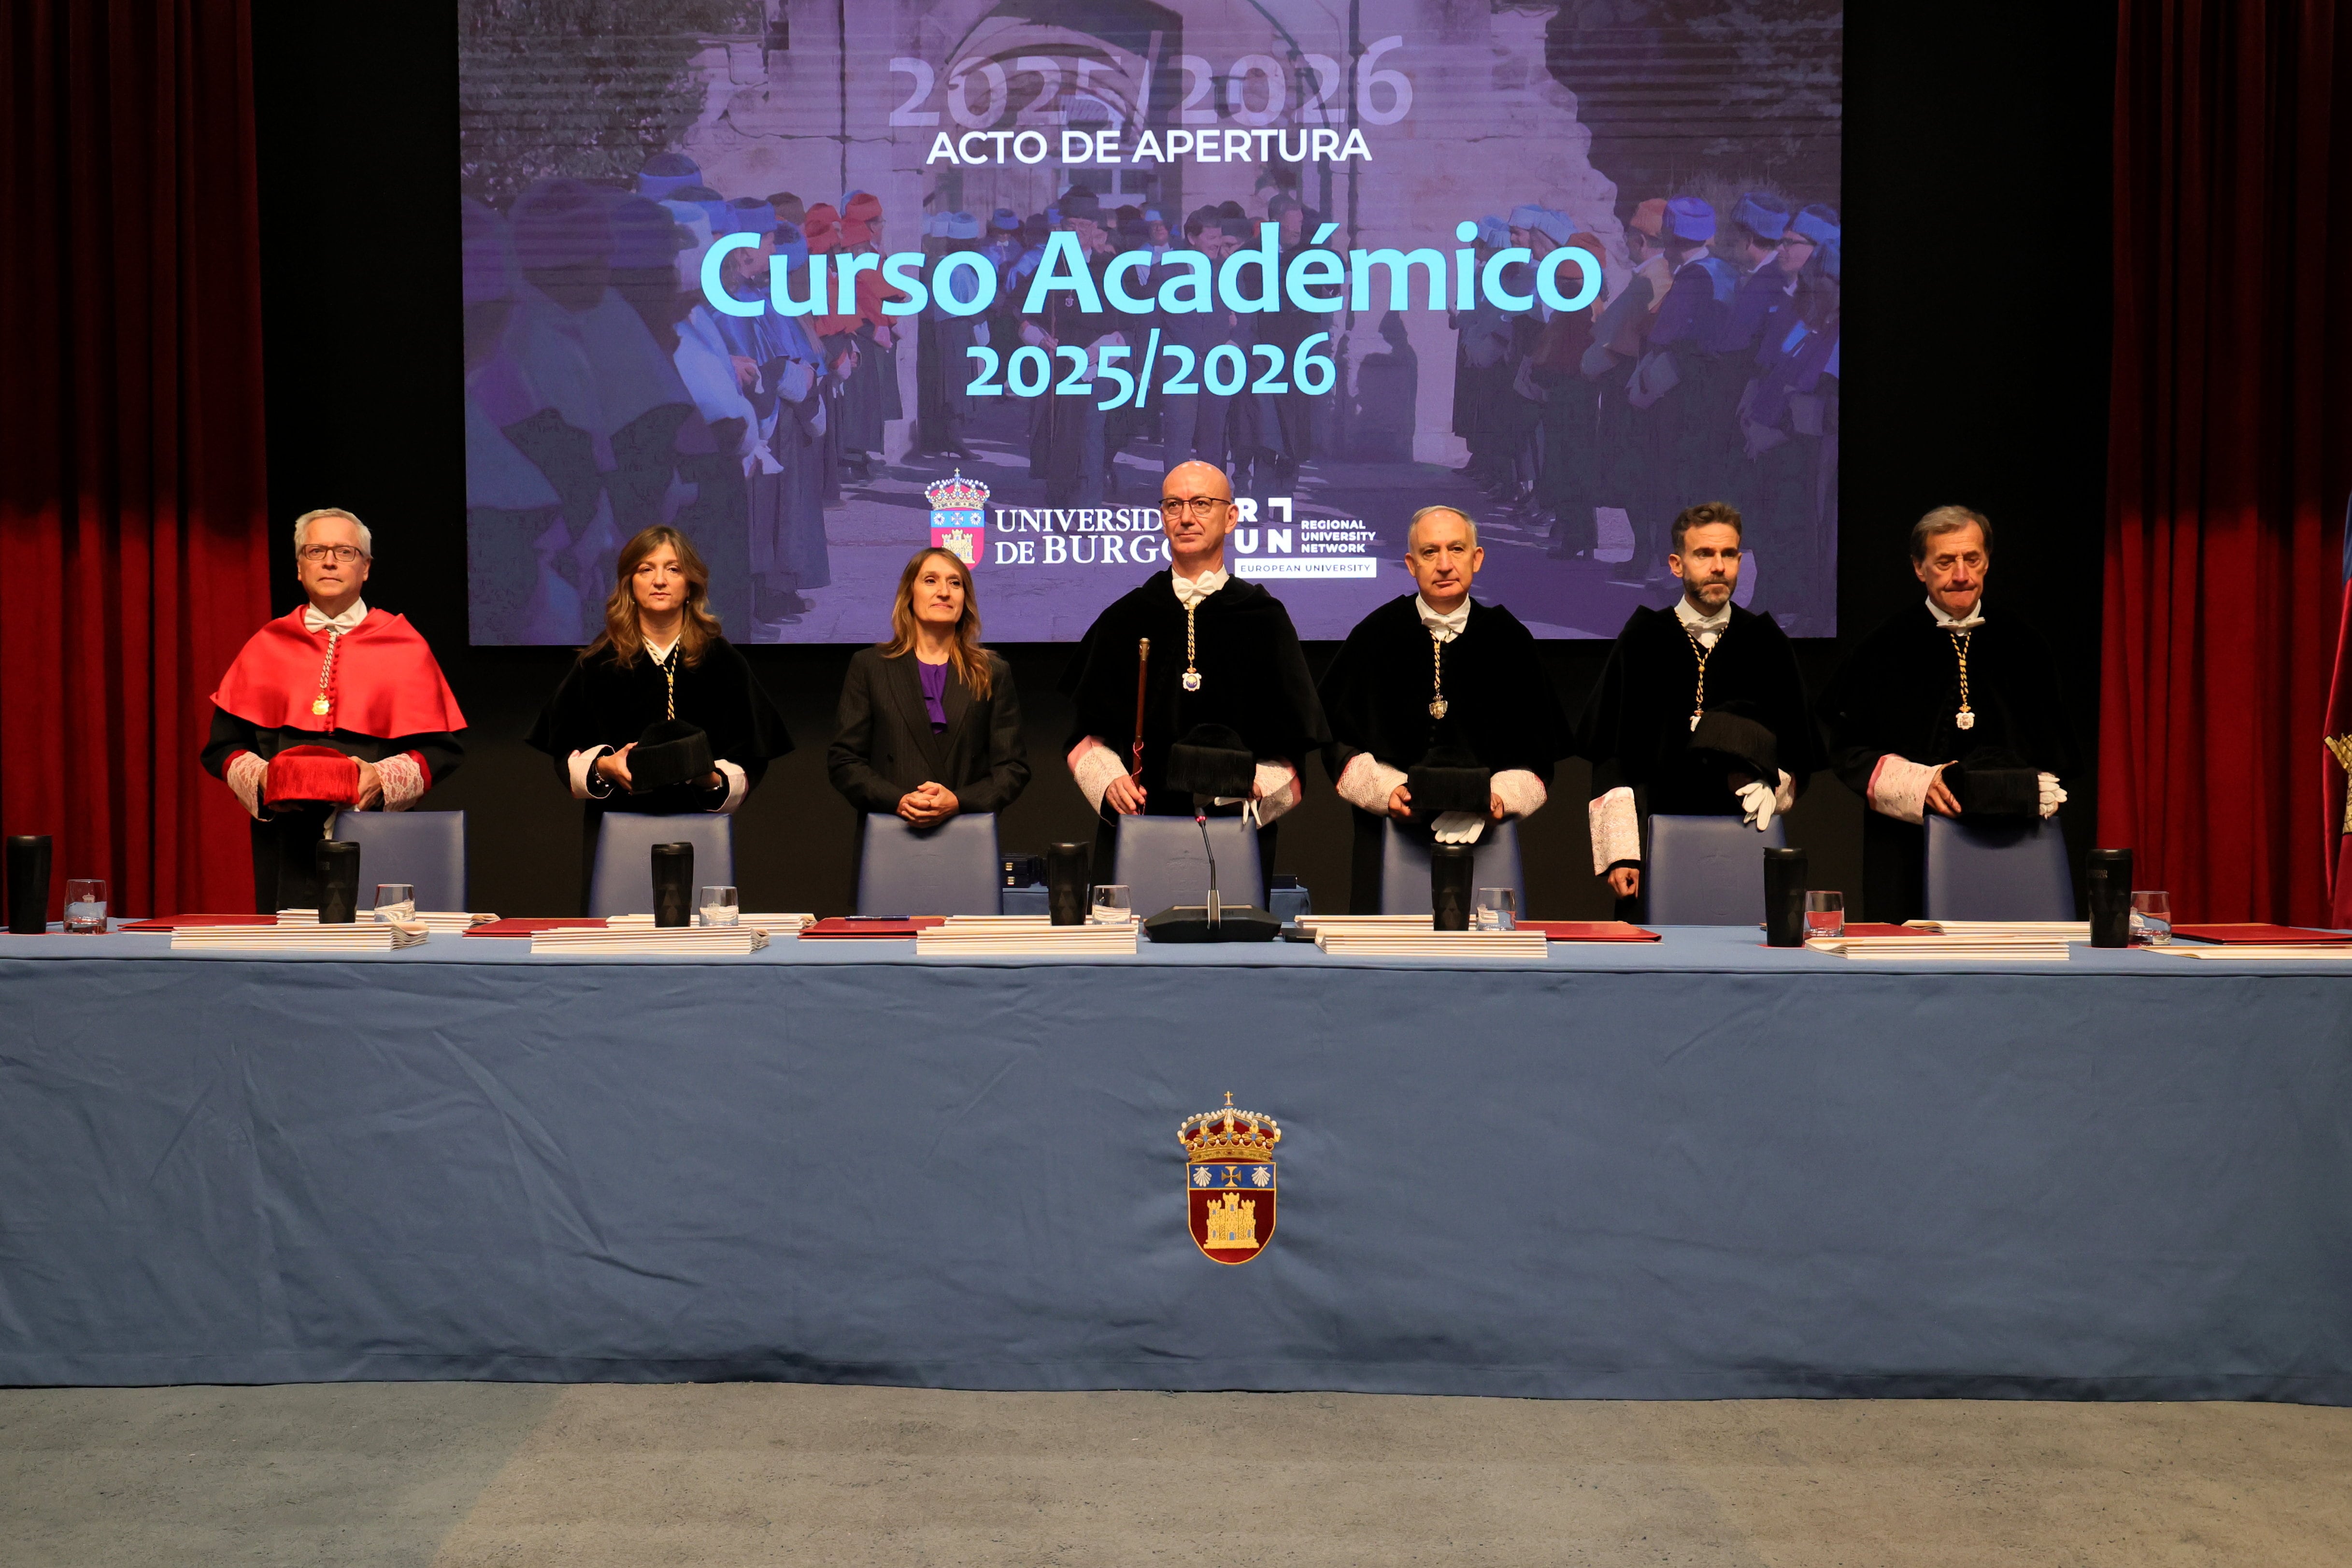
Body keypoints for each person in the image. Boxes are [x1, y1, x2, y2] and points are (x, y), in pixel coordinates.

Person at [1061, 459, 1329, 889]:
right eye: (1173, 505)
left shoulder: (1265, 619)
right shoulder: (1126, 617)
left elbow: (1293, 749)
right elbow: (1083, 735)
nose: (1185, 517)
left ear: (1231, 517)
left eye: (1201, 503)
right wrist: (1109, 780)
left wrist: (1256, 786)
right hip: (1139, 828)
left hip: (1237, 834)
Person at [1818, 506, 2076, 922]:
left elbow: (2054, 755)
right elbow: (1848, 751)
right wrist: (1918, 784)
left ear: (1986, 561)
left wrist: (2027, 787)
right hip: (1907, 850)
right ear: (1919, 569)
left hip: (2012, 848)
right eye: (1944, 562)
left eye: (1971, 560)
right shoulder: (1880, 649)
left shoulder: (2026, 647)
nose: (1961, 575)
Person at [202, 509, 468, 912]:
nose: (329, 561)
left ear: (365, 568)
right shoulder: (266, 645)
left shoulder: (405, 646)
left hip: (377, 833)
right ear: (299, 568)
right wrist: (265, 779)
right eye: (316, 551)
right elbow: (223, 748)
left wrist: (381, 778)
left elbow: (441, 751)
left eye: (345, 551)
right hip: (285, 841)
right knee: (291, 957)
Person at [1319, 506, 1570, 912]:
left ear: (1477, 558)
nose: (1444, 564)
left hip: (1488, 837)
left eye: (1456, 549)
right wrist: (1387, 792)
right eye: (1430, 552)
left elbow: (1537, 754)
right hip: (1386, 833)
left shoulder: (1510, 640)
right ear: (1410, 564)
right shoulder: (1374, 635)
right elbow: (1337, 740)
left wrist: (1498, 798)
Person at [527, 525, 792, 902]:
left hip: (700, 832)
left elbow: (754, 755)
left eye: (673, 569)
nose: (660, 581)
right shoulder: (598, 663)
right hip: (616, 830)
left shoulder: (723, 662)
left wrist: (710, 777)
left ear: (691, 584)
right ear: (629, 584)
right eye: (646, 569)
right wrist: (605, 767)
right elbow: (562, 749)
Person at [1580, 500, 1819, 913]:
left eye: (1728, 554)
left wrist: (1775, 785)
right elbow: (1610, 752)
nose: (1718, 566)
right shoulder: (1642, 639)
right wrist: (1621, 853)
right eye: (1704, 554)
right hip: (1655, 846)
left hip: (1748, 837)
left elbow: (1799, 751)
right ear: (1677, 564)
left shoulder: (1765, 642)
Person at [828, 547, 1029, 829]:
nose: (944, 592)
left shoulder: (992, 672)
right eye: (931, 580)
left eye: (955, 583)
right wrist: (899, 800)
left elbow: (1012, 768)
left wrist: (958, 801)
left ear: (965, 599)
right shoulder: (870, 666)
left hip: (967, 834)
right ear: (909, 594)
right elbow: (844, 760)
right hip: (889, 832)